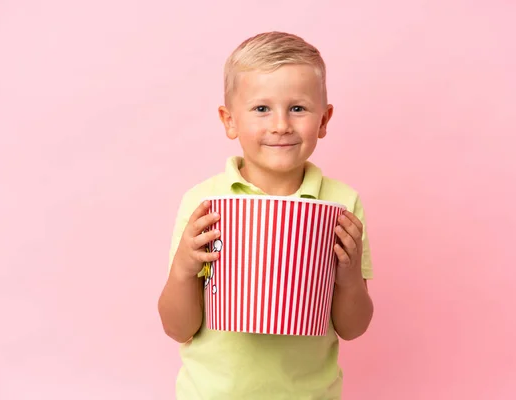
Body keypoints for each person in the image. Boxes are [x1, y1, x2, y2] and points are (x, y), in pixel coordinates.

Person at [158, 31, 374, 400]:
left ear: (324, 120)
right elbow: (179, 328)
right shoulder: (204, 202)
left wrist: (350, 279)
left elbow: (352, 328)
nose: (280, 125)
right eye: (261, 109)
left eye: (298, 108)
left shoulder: (341, 204)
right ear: (229, 121)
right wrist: (183, 268)